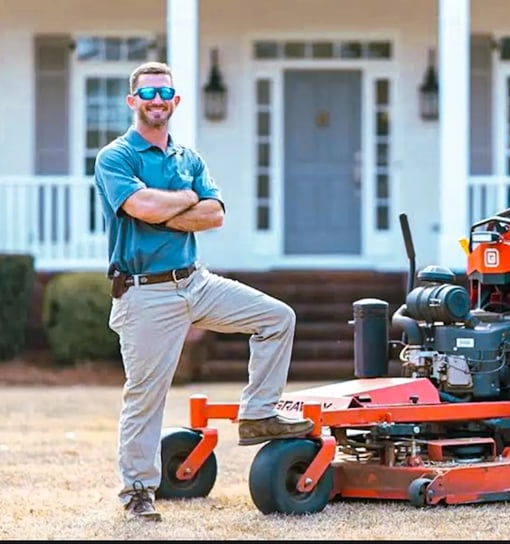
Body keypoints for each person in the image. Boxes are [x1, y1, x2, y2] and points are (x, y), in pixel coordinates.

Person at [93, 61, 314, 522]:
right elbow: (141, 206)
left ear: (175, 101)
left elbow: (214, 215)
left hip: (196, 280)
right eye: (148, 93)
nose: (157, 101)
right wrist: (182, 201)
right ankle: (137, 490)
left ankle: (259, 412)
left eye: (165, 93)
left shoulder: (188, 158)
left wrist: (166, 208)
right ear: (133, 101)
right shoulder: (116, 157)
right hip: (144, 292)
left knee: (277, 318)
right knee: (145, 395)